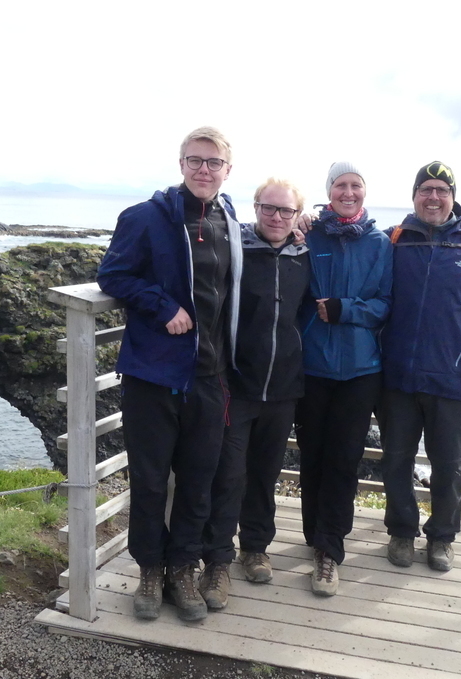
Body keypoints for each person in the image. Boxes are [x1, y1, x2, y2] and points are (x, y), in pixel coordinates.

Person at [96, 126, 243, 622]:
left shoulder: (229, 220)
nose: (204, 169)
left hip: (210, 376)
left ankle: (182, 568)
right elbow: (113, 274)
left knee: (199, 481)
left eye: (214, 162)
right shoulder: (145, 217)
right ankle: (150, 569)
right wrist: (162, 306)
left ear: (227, 170)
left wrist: (305, 222)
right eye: (195, 160)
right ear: (181, 164)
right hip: (153, 374)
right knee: (151, 481)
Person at [377, 161, 461, 572]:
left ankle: (442, 538)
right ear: (414, 196)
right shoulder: (392, 241)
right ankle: (401, 532)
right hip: (396, 378)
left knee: (449, 467)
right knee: (396, 460)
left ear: (452, 197)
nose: (433, 197)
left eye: (441, 191)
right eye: (426, 190)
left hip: (453, 380)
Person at [199, 178, 310, 609]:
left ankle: (256, 548)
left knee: (265, 474)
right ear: (256, 207)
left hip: (285, 387)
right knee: (227, 475)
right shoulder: (236, 249)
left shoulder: (305, 257)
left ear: (298, 215)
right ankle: (217, 561)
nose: (276, 217)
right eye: (269, 208)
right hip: (238, 385)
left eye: (286, 210)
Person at [296, 162, 392, 596]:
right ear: (329, 191)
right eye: (340, 185)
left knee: (344, 459)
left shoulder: (380, 243)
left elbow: (387, 304)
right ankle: (314, 533)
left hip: (360, 370)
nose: (348, 192)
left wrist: (345, 309)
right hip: (311, 365)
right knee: (312, 456)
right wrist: (297, 221)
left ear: (364, 192)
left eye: (355, 185)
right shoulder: (309, 235)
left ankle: (329, 551)